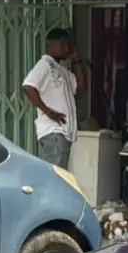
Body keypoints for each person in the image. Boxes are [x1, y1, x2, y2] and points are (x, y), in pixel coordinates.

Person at [22, 27, 86, 168]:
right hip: (54, 132)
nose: (67, 48)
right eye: (64, 44)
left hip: (63, 135)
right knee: (55, 177)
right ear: (52, 43)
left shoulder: (62, 70)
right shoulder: (45, 65)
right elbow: (28, 87)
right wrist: (49, 112)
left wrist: (77, 60)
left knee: (58, 175)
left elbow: (80, 88)